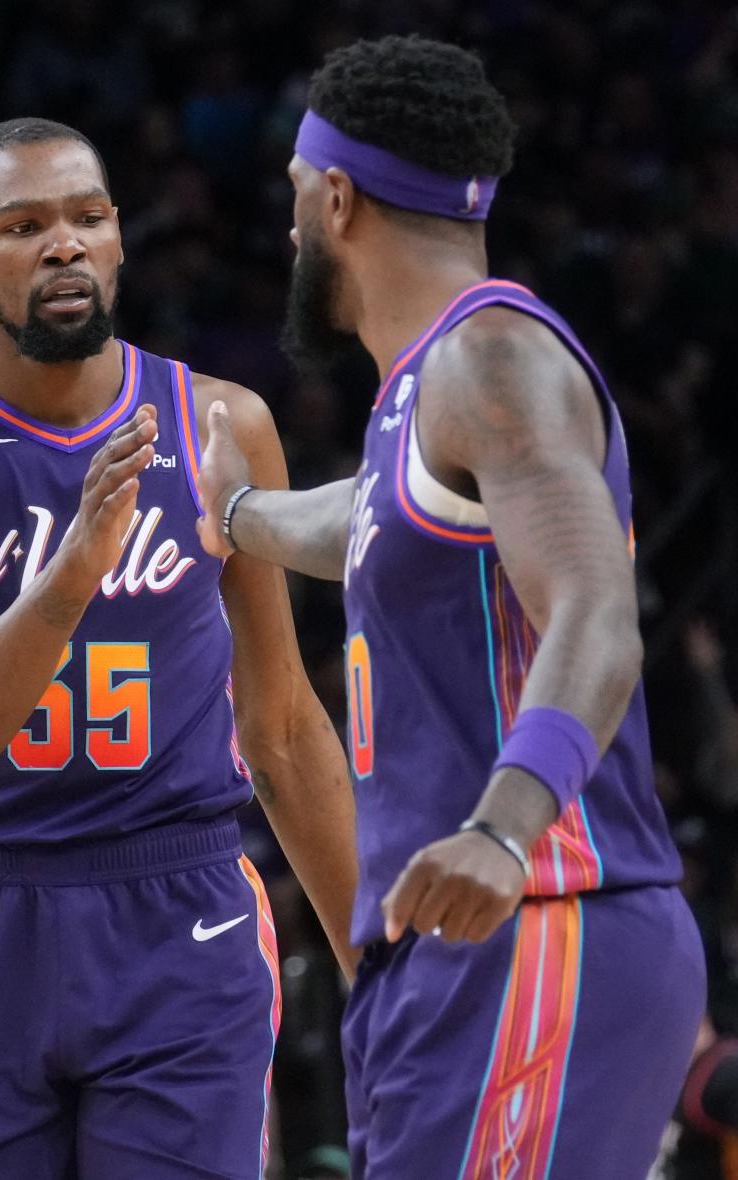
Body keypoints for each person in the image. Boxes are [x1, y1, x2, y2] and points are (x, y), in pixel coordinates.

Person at [195, 34, 706, 1180]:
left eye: (291, 198)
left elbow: (595, 607)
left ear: (336, 198)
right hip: (455, 949)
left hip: (541, 912)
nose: (286, 231)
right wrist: (237, 517)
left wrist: (502, 826)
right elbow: (367, 519)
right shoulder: (425, 388)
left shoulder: (493, 358)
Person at [0, 117, 358, 1179]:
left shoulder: (220, 422)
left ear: (119, 240)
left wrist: (376, 966)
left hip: (179, 905)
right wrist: (72, 573)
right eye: (23, 225)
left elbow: (286, 721)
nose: (63, 244)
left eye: (88, 217)